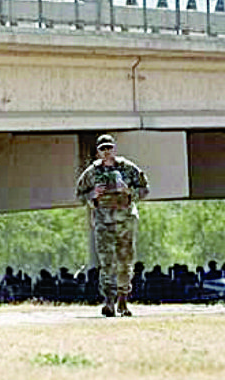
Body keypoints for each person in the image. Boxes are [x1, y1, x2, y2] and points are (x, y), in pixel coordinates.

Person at [76, 134, 149, 317]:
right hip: (103, 222)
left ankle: (123, 300)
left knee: (125, 261)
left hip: (125, 221)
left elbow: (145, 189)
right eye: (103, 149)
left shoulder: (127, 168)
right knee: (107, 262)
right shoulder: (92, 172)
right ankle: (109, 301)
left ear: (114, 149)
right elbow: (79, 195)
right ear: (98, 151)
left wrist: (128, 190)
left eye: (109, 148)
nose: (106, 152)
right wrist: (93, 193)